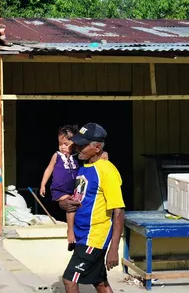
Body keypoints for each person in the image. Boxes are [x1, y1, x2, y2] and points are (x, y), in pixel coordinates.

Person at [59, 123, 125, 293]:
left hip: (94, 236)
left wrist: (114, 249)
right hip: (82, 235)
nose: (78, 148)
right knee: (100, 282)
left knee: (69, 280)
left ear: (97, 148)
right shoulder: (84, 167)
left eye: (82, 144)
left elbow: (118, 211)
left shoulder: (107, 171)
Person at [39, 125, 110, 251]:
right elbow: (49, 168)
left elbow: (95, 153)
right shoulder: (57, 155)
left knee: (77, 206)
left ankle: (78, 232)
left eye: (66, 144)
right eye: (60, 144)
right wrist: (43, 184)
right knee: (71, 208)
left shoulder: (79, 156)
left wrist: (104, 153)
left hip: (73, 189)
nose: (63, 147)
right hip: (60, 190)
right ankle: (70, 231)